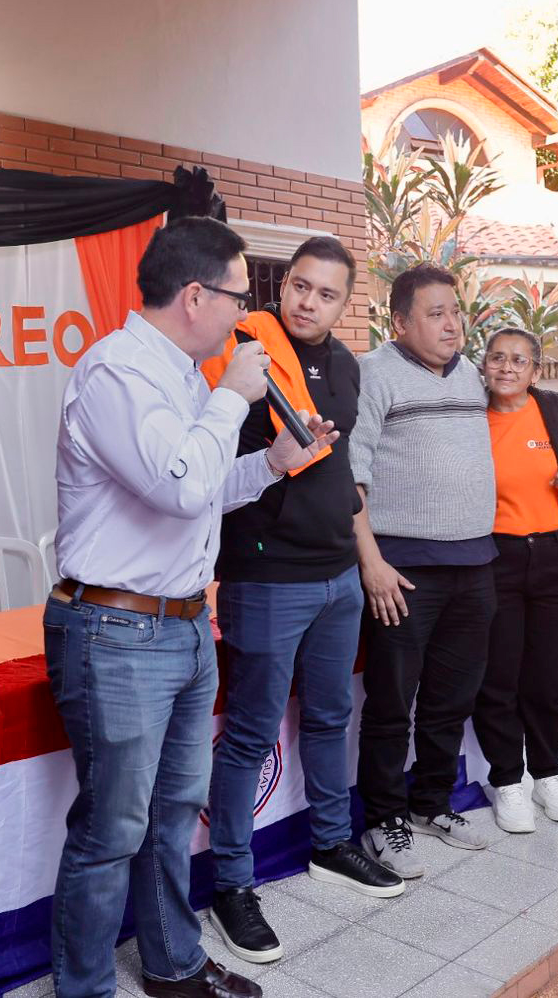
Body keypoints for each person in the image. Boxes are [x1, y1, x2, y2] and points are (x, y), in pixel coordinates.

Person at [45, 216, 335, 998]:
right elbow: (176, 484)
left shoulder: (182, 376)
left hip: (181, 624)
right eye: (240, 297)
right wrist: (234, 398)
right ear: (197, 296)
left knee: (174, 812)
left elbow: (201, 491)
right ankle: (84, 988)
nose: (247, 316)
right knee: (112, 829)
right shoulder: (117, 372)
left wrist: (271, 463)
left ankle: (171, 965)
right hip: (116, 629)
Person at [201, 237, 403, 966]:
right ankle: (231, 883)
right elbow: (212, 465)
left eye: (326, 294)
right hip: (265, 576)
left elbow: (343, 468)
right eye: (299, 286)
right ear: (282, 285)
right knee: (250, 735)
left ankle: (330, 844)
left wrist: (362, 554)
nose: (308, 302)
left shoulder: (345, 364)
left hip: (337, 572)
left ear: (346, 304)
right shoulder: (241, 351)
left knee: (328, 716)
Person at [351, 262, 498, 878]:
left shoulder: (471, 375)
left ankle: (432, 802)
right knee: (392, 703)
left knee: (451, 699)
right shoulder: (373, 374)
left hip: (476, 561)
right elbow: (351, 476)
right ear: (400, 322)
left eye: (455, 312)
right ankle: (383, 818)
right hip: (404, 569)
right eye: (435, 314)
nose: (451, 324)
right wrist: (372, 563)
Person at [472, 328, 558, 831]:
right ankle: (507, 781)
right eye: (497, 358)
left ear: (536, 371)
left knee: (550, 680)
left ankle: (548, 774)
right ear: (483, 365)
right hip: (494, 558)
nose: (507, 368)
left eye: (519, 360)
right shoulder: (469, 415)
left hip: (554, 558)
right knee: (498, 677)